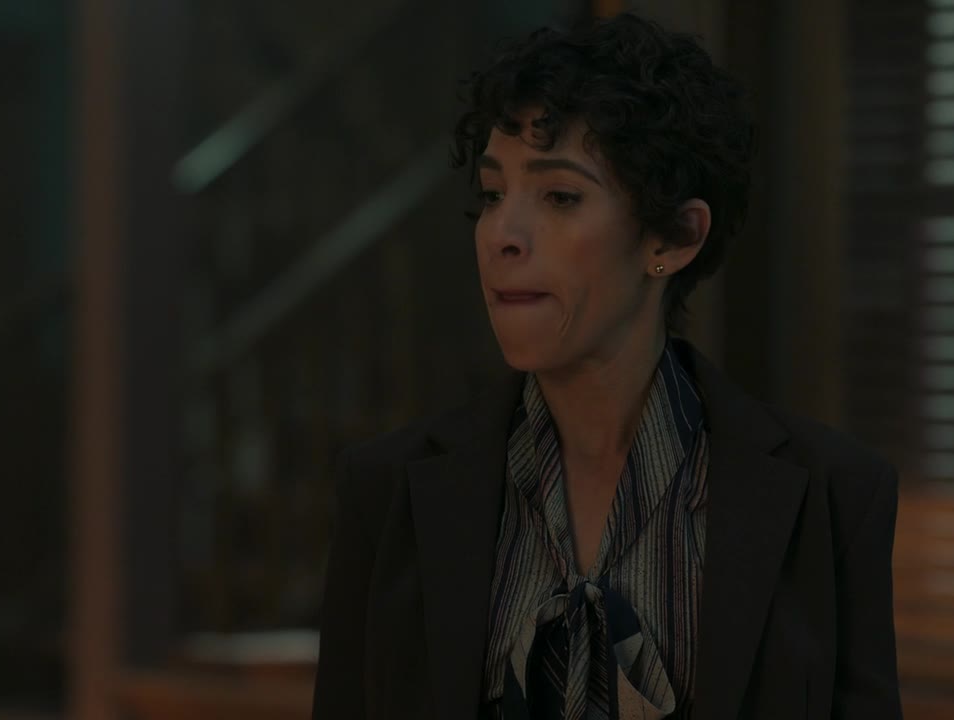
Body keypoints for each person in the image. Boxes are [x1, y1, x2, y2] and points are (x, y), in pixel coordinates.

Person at [311, 13, 901, 720]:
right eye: (493, 195)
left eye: (560, 196)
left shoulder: (832, 496)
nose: (502, 235)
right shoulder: (388, 491)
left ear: (675, 237)